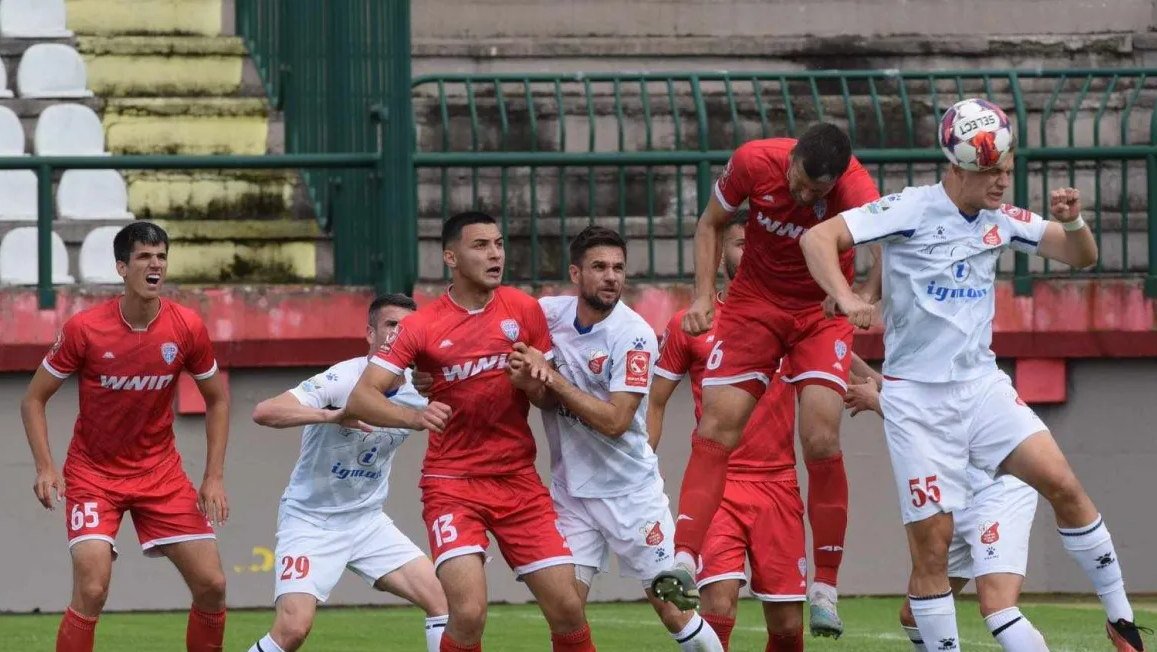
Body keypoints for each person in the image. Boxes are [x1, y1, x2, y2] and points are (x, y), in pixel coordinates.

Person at [799, 99, 1149, 651]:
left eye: (1007, 170)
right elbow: (816, 239)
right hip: (916, 402)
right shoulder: (909, 209)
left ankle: (1122, 621)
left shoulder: (1001, 220)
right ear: (956, 168)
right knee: (932, 551)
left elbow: (1079, 256)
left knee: (1063, 485)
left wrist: (1072, 221)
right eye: (990, 173)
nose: (1001, 182)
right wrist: (844, 296)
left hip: (982, 389)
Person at [652, 124, 883, 637]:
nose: (804, 198)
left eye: (817, 193)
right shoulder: (753, 161)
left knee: (821, 434)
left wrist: (864, 292)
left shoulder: (857, 189)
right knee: (716, 428)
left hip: (819, 311)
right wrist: (702, 295)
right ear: (792, 157)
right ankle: (685, 558)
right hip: (755, 304)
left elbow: (888, 243)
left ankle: (825, 586)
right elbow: (710, 223)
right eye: (800, 183)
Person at [344, 211, 597, 652]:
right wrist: (415, 416)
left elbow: (547, 398)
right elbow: (362, 398)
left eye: (498, 244)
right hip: (453, 486)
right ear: (451, 257)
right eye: (480, 245)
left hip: (518, 481)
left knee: (568, 608)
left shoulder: (523, 309)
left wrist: (536, 382)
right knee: (468, 613)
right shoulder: (420, 326)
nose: (495, 253)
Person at [20, 221, 230, 652]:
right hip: (94, 475)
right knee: (93, 589)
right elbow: (33, 400)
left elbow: (218, 399)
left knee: (212, 585)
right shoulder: (85, 329)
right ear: (121, 267)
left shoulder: (186, 327)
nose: (155, 265)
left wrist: (213, 477)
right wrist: (45, 466)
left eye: (161, 257)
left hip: (161, 474)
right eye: (143, 257)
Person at [521, 225, 723, 651]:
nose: (611, 276)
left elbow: (616, 420)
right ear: (575, 273)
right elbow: (509, 352)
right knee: (565, 612)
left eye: (618, 267)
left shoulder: (634, 336)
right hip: (571, 495)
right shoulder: (546, 315)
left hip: (631, 496)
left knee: (675, 609)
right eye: (599, 267)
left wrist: (551, 380)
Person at [246, 293, 449, 652]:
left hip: (367, 522)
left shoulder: (421, 391)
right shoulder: (344, 378)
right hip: (311, 521)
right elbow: (265, 411)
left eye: (407, 329)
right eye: (390, 326)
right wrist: (331, 414)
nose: (398, 335)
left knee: (445, 600)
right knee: (292, 630)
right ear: (370, 334)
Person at [845, 375, 1049, 651]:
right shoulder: (920, 358)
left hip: (996, 491)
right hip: (957, 500)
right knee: (915, 616)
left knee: (997, 607)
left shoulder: (959, 363)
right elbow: (902, 393)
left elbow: (927, 425)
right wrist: (835, 339)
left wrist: (874, 400)